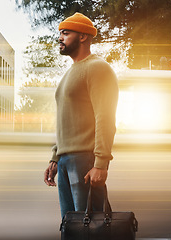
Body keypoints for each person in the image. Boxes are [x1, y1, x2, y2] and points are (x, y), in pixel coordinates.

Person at [43, 12, 119, 218]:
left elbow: (105, 118)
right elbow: (67, 119)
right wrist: (55, 157)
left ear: (83, 36)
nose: (60, 38)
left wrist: (101, 164)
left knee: (92, 226)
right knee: (72, 227)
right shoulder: (70, 72)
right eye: (60, 33)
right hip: (66, 160)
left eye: (66, 33)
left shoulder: (97, 68)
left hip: (85, 160)